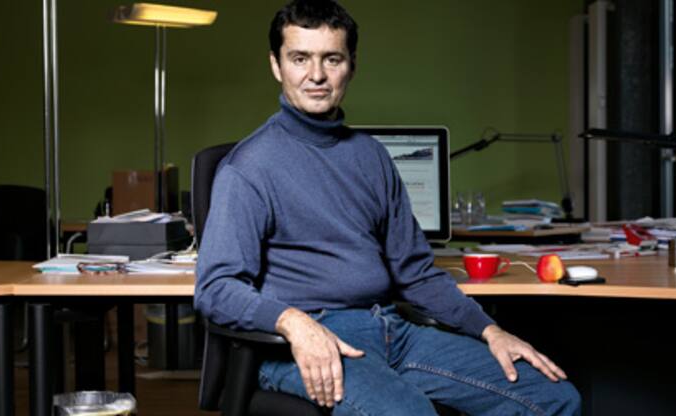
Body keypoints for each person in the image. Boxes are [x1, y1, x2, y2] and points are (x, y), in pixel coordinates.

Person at [195, 0, 581, 414]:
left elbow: (416, 273)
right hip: (306, 341)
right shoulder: (248, 167)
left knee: (554, 399)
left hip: (391, 329)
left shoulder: (372, 156)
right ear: (277, 65)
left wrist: (489, 330)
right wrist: (293, 322)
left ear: (351, 66)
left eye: (332, 59)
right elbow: (215, 289)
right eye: (300, 58)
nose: (317, 75)